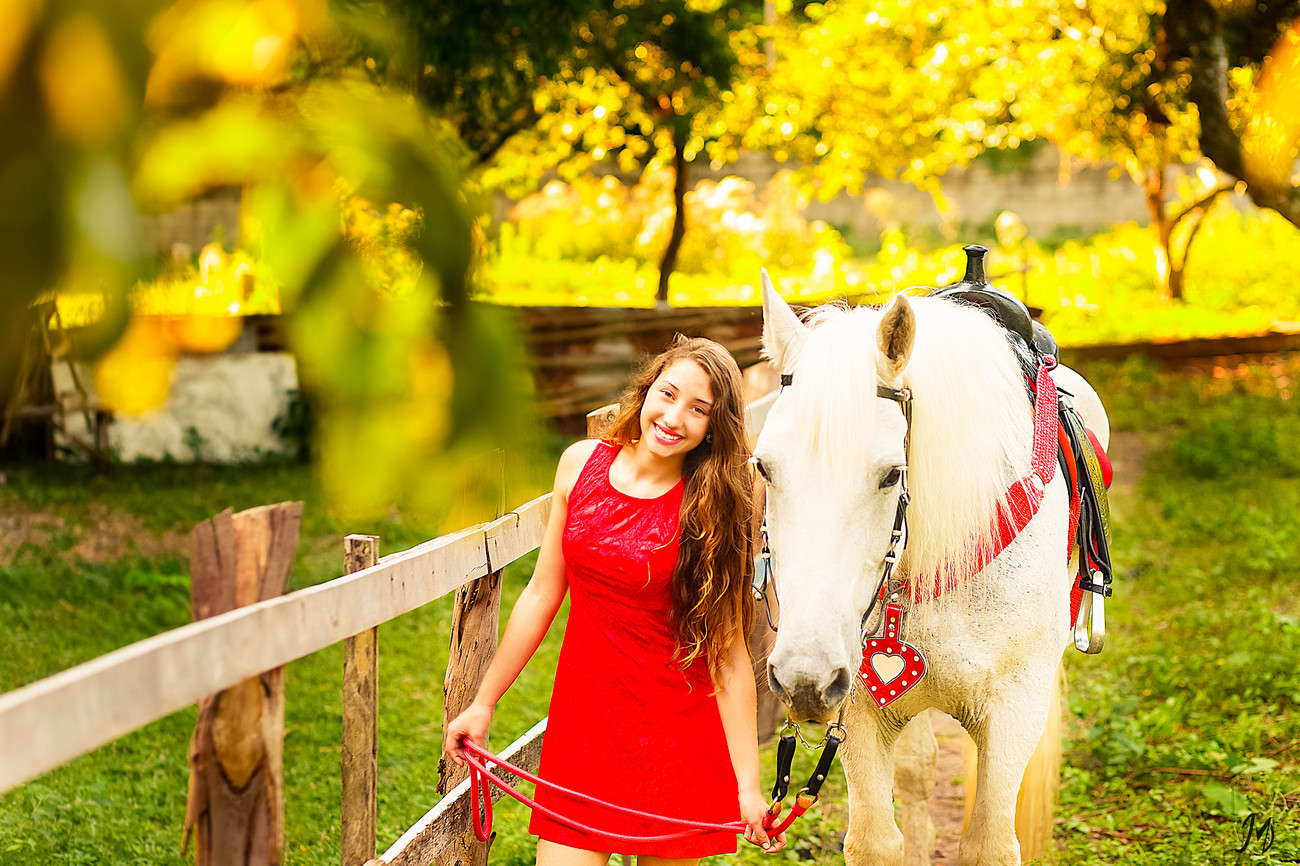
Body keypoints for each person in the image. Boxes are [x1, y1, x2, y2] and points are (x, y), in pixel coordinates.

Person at [445, 336, 785, 864]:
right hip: (586, 729)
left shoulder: (714, 504)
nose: (674, 417)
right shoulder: (578, 464)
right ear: (647, 389)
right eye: (668, 394)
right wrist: (484, 703)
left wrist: (747, 788)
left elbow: (729, 655)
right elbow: (540, 594)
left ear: (714, 427)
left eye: (699, 410)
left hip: (676, 738)